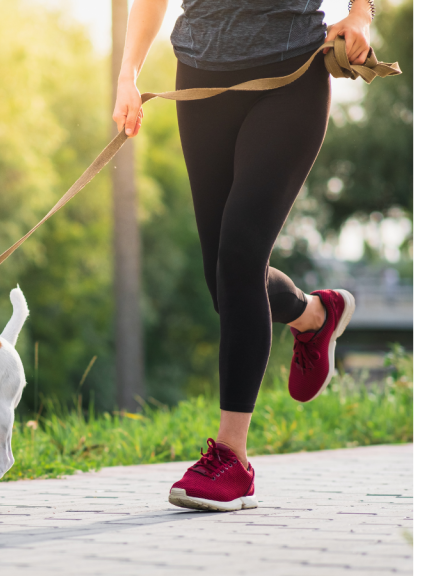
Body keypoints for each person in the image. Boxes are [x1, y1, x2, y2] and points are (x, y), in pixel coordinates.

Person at [112, 0, 374, 512]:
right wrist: (129, 73)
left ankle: (233, 458)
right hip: (200, 77)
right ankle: (315, 315)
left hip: (290, 72)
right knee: (224, 283)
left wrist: (360, 14)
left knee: (239, 257)